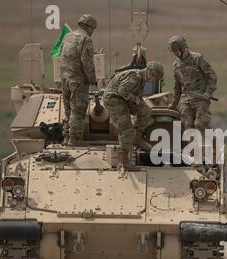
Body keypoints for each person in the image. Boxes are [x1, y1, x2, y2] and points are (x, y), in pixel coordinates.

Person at [103, 61, 164, 170]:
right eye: (156, 79)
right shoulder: (134, 77)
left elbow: (135, 96)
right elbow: (121, 91)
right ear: (151, 74)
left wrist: (138, 102)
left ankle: (137, 137)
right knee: (127, 128)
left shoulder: (141, 80)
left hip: (124, 99)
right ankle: (124, 162)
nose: (155, 81)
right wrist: (135, 100)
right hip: (114, 99)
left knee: (146, 111)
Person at [167, 35, 218, 135]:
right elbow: (177, 87)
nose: (176, 54)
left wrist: (208, 92)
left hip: (201, 98)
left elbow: (212, 76)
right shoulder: (177, 65)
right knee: (187, 127)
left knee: (200, 124)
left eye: (177, 51)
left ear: (183, 48)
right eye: (174, 52)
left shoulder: (198, 58)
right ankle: (192, 150)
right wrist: (173, 104)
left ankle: (213, 144)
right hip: (186, 100)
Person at [60, 14, 98, 146]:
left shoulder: (67, 36)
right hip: (78, 81)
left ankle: (65, 137)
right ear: (89, 27)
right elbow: (87, 63)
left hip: (65, 79)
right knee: (78, 110)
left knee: (68, 110)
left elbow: (60, 55)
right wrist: (93, 81)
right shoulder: (85, 39)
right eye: (93, 28)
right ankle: (74, 141)